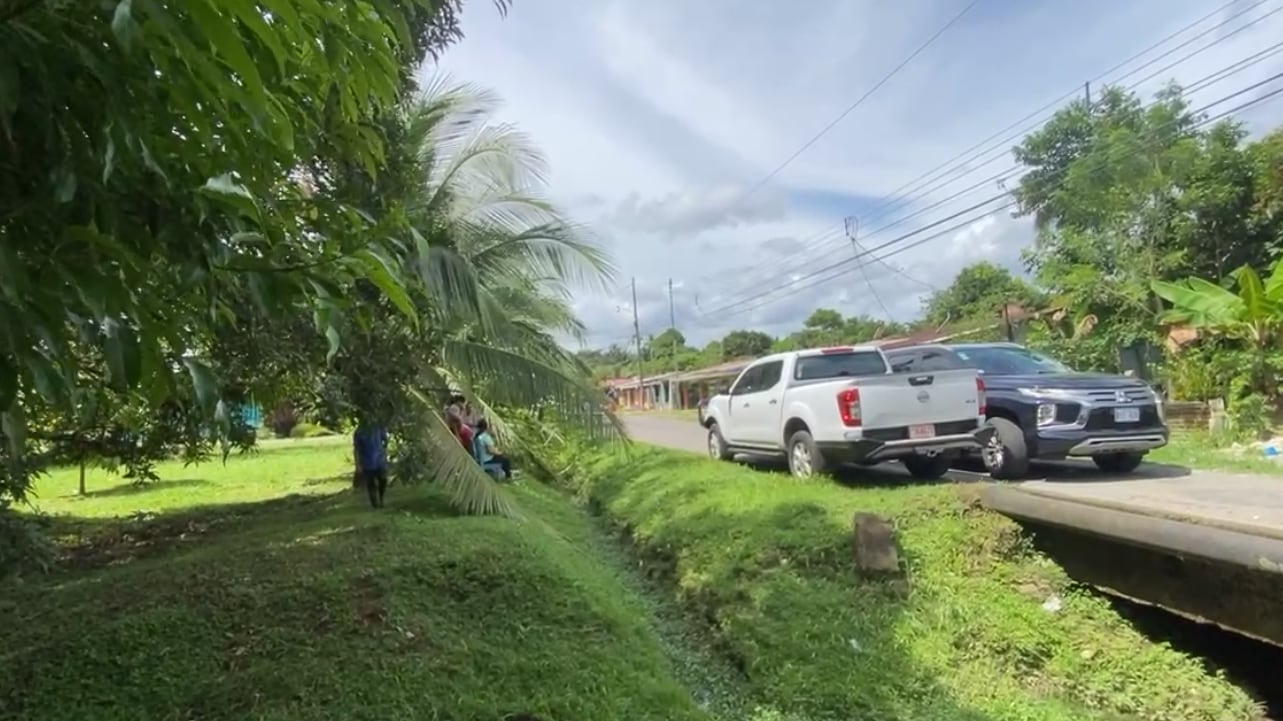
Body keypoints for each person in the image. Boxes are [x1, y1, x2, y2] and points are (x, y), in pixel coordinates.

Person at [353, 421, 390, 508]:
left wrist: (384, 453)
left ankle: (381, 499)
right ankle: (375, 503)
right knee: (371, 483)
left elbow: (385, 441)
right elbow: (356, 449)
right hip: (366, 461)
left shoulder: (378, 428)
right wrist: (358, 465)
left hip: (379, 460)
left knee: (383, 480)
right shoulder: (359, 431)